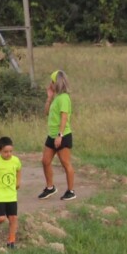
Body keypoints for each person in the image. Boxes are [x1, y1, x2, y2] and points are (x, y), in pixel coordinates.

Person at [40, 70, 76, 201]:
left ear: (58, 83)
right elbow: (46, 113)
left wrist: (60, 136)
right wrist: (49, 98)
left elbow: (64, 118)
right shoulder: (56, 98)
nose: (50, 84)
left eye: (52, 81)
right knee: (45, 161)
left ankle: (70, 191)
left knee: (65, 163)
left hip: (62, 135)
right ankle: (50, 187)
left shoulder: (64, 98)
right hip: (52, 134)